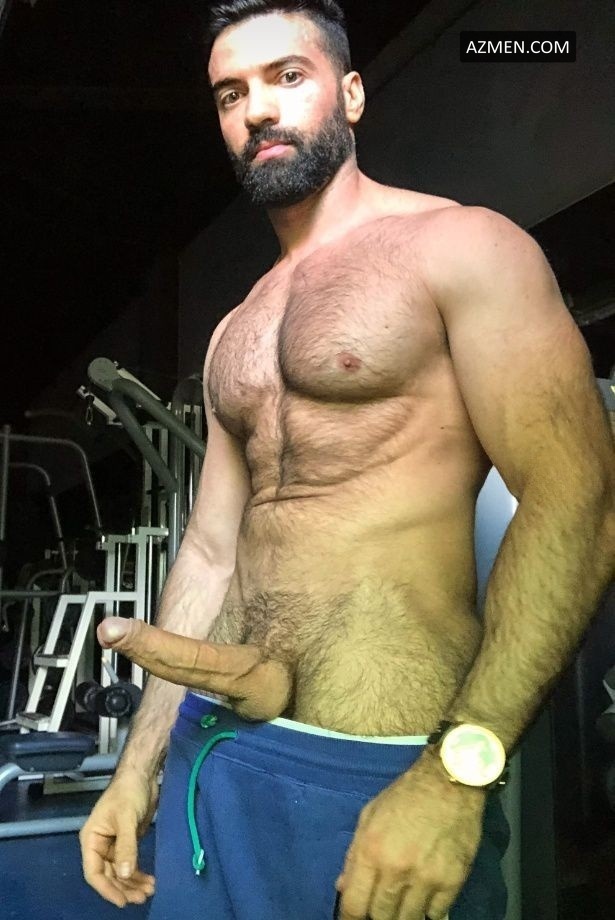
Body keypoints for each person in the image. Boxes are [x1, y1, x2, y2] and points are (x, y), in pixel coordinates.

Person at [79, 2, 615, 918]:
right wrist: (139, 768)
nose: (257, 109)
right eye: (230, 94)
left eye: (287, 76)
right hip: (214, 754)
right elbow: (209, 551)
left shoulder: (463, 247)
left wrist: (456, 773)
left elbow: (579, 502)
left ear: (351, 94)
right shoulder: (235, 328)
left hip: (379, 773)